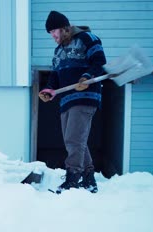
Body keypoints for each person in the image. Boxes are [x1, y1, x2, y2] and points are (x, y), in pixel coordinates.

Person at [39, 10, 106, 194]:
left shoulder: (87, 38)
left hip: (85, 96)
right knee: (76, 140)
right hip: (67, 99)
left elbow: (99, 62)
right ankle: (89, 179)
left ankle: (73, 178)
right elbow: (55, 75)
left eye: (54, 31)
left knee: (73, 139)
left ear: (64, 28)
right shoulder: (58, 50)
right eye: (50, 33)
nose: (52, 36)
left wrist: (86, 76)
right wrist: (49, 89)